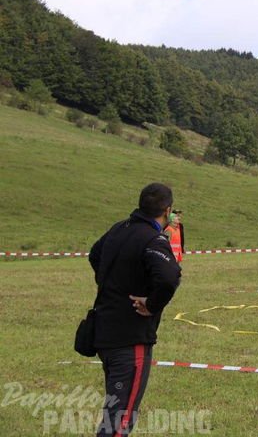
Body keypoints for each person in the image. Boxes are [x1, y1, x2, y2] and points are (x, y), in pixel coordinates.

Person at [88, 183, 182, 436]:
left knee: (114, 412)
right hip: (130, 339)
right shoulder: (153, 239)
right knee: (119, 422)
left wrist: (112, 286)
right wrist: (151, 305)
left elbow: (94, 255)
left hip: (104, 332)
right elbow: (169, 277)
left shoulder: (119, 228)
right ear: (167, 210)